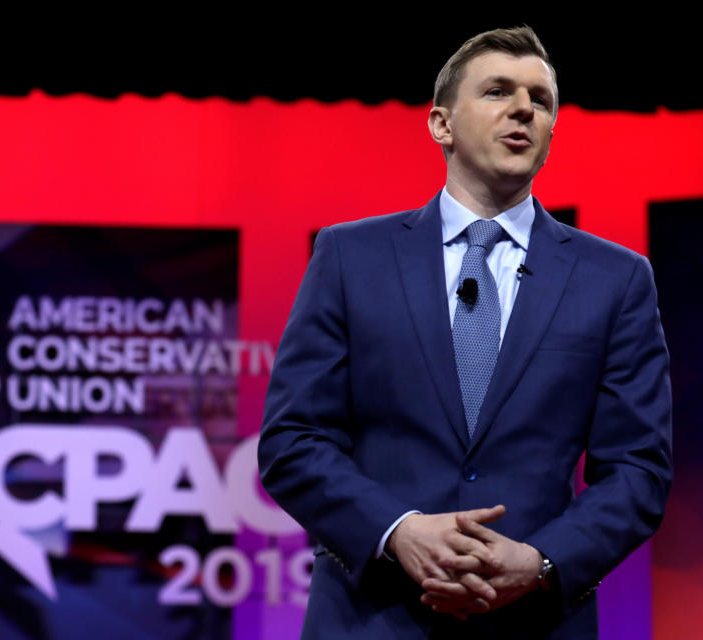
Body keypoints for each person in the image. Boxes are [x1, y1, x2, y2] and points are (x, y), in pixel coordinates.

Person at [258, 26, 672, 639]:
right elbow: (293, 440)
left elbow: (639, 468)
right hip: (372, 619)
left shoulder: (616, 278)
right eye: (498, 91)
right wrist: (398, 531)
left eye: (541, 99)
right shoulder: (350, 257)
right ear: (441, 125)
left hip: (533, 620)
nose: (524, 109)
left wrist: (539, 562)